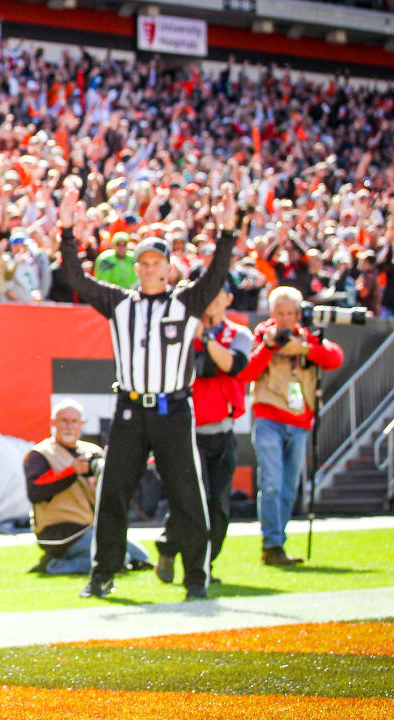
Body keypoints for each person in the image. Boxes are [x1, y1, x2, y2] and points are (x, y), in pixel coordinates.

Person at [58, 183, 236, 602]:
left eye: (156, 262)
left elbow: (216, 274)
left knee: (186, 492)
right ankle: (103, 574)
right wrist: (67, 230)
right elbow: (73, 277)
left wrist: (227, 234)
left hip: (174, 409)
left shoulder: (187, 301)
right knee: (114, 490)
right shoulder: (119, 303)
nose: (148, 268)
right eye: (142, 262)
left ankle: (196, 577)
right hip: (131, 407)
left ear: (169, 268)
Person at [154, 280, 252, 584]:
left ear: (228, 299)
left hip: (221, 432)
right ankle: (172, 551)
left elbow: (232, 365)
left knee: (218, 505)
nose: (211, 300)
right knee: (188, 501)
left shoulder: (239, 334)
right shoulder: (180, 332)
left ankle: (204, 563)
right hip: (186, 432)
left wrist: (206, 338)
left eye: (217, 294)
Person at [238, 285, 344, 566]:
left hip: (300, 420)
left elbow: (335, 358)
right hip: (269, 416)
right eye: (280, 313)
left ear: (298, 313)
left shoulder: (306, 337)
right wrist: (269, 347)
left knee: (288, 487)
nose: (285, 319)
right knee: (270, 482)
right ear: (272, 313)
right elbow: (246, 372)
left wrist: (306, 348)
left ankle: (278, 543)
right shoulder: (262, 336)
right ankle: (271, 544)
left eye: (290, 313)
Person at [24, 400, 150, 575]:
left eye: (74, 421)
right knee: (117, 558)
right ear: (54, 423)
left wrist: (104, 480)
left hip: (91, 527)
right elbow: (35, 492)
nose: (69, 426)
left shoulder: (92, 451)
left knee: (142, 557)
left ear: (81, 424)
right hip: (60, 531)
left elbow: (114, 485)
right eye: (64, 421)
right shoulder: (40, 454)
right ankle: (53, 565)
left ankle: (78, 560)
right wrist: (72, 472)